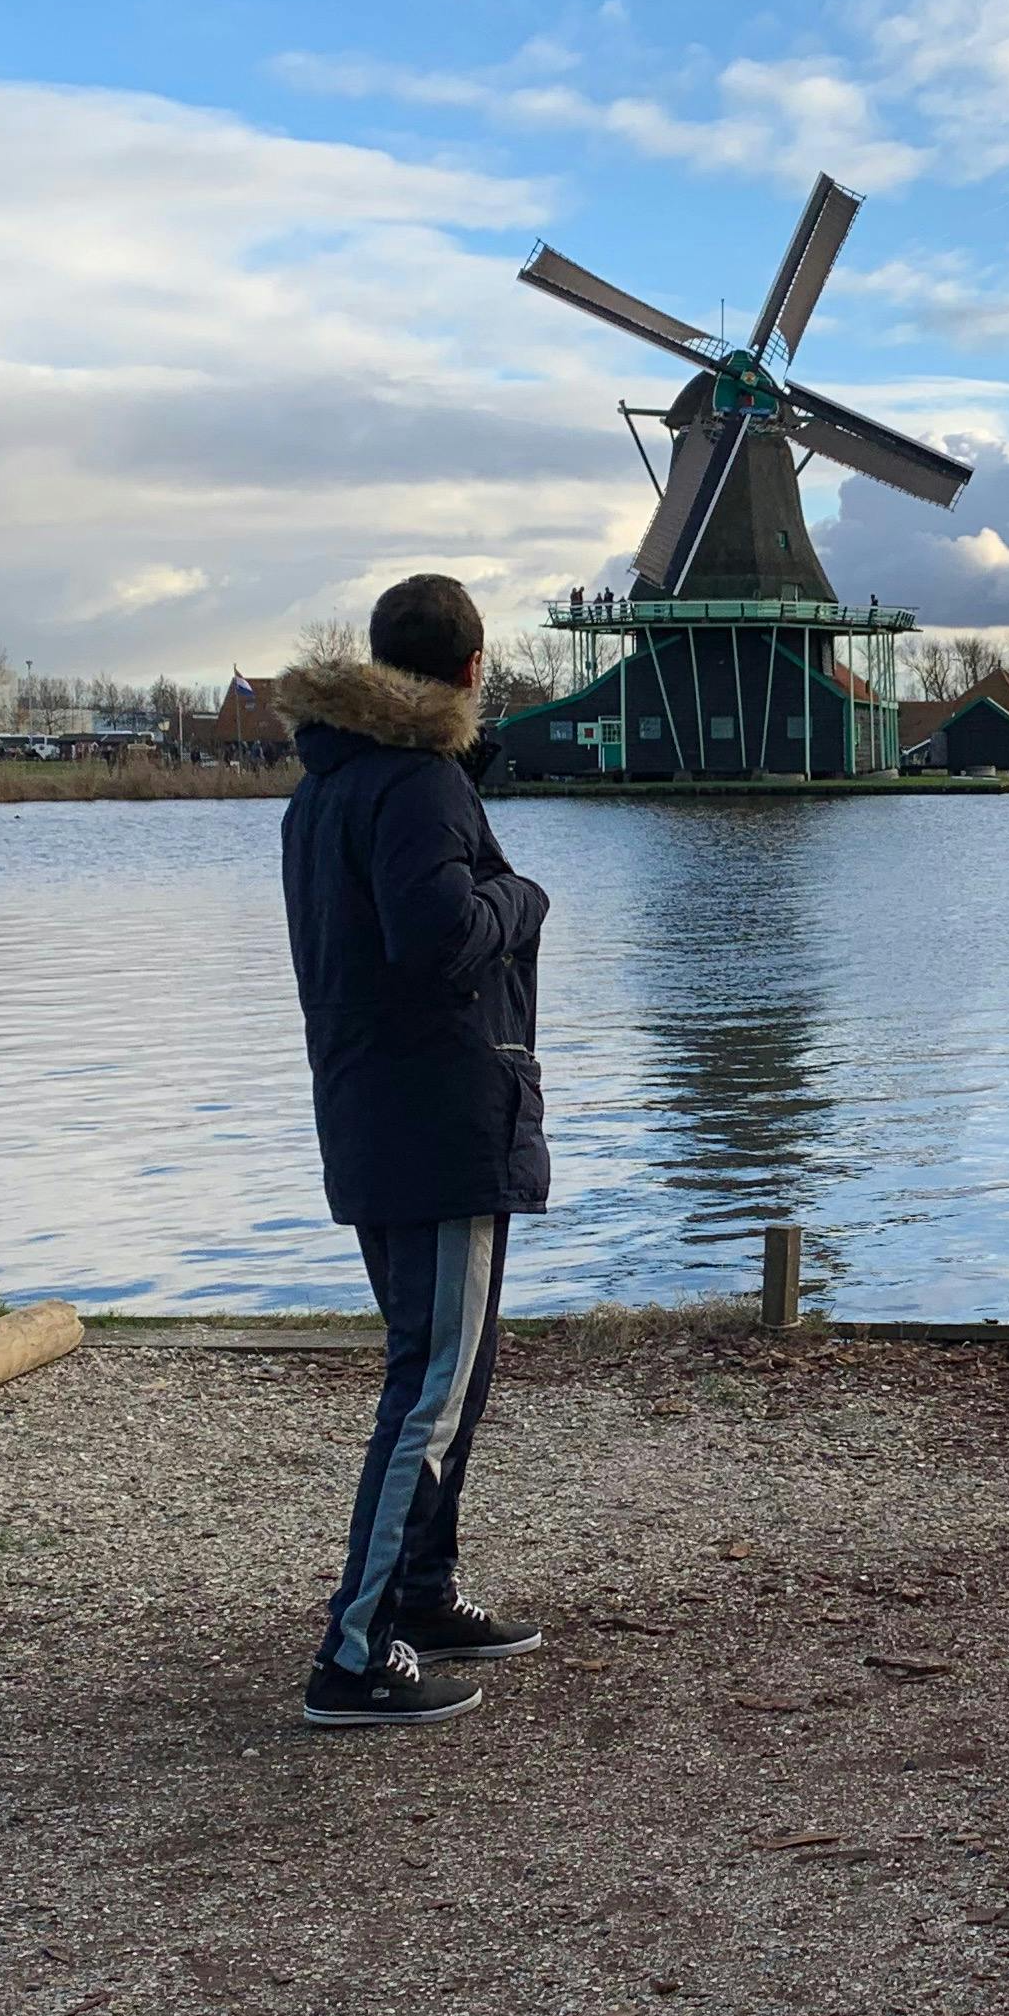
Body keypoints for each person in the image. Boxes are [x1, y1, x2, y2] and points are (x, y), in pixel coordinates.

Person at [276, 574, 551, 1726]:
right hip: (441, 1118)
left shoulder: (328, 785)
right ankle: (355, 1649)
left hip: (375, 1107)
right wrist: (523, 897)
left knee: (451, 1368)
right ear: (474, 672)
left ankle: (424, 1594)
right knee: (433, 1386)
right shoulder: (421, 785)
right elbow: (441, 939)